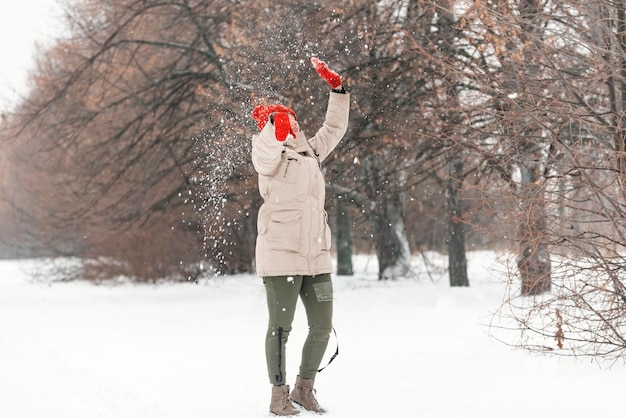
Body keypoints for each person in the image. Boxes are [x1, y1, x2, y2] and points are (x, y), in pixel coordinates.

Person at [250, 57, 350, 416]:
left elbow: (334, 127)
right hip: (281, 255)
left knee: (322, 326)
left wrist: (337, 90)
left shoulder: (310, 153)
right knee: (281, 328)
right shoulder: (270, 158)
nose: (292, 123)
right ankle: (279, 396)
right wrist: (271, 130)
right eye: (284, 119)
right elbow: (264, 152)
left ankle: (304, 389)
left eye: (291, 119)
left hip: (316, 256)